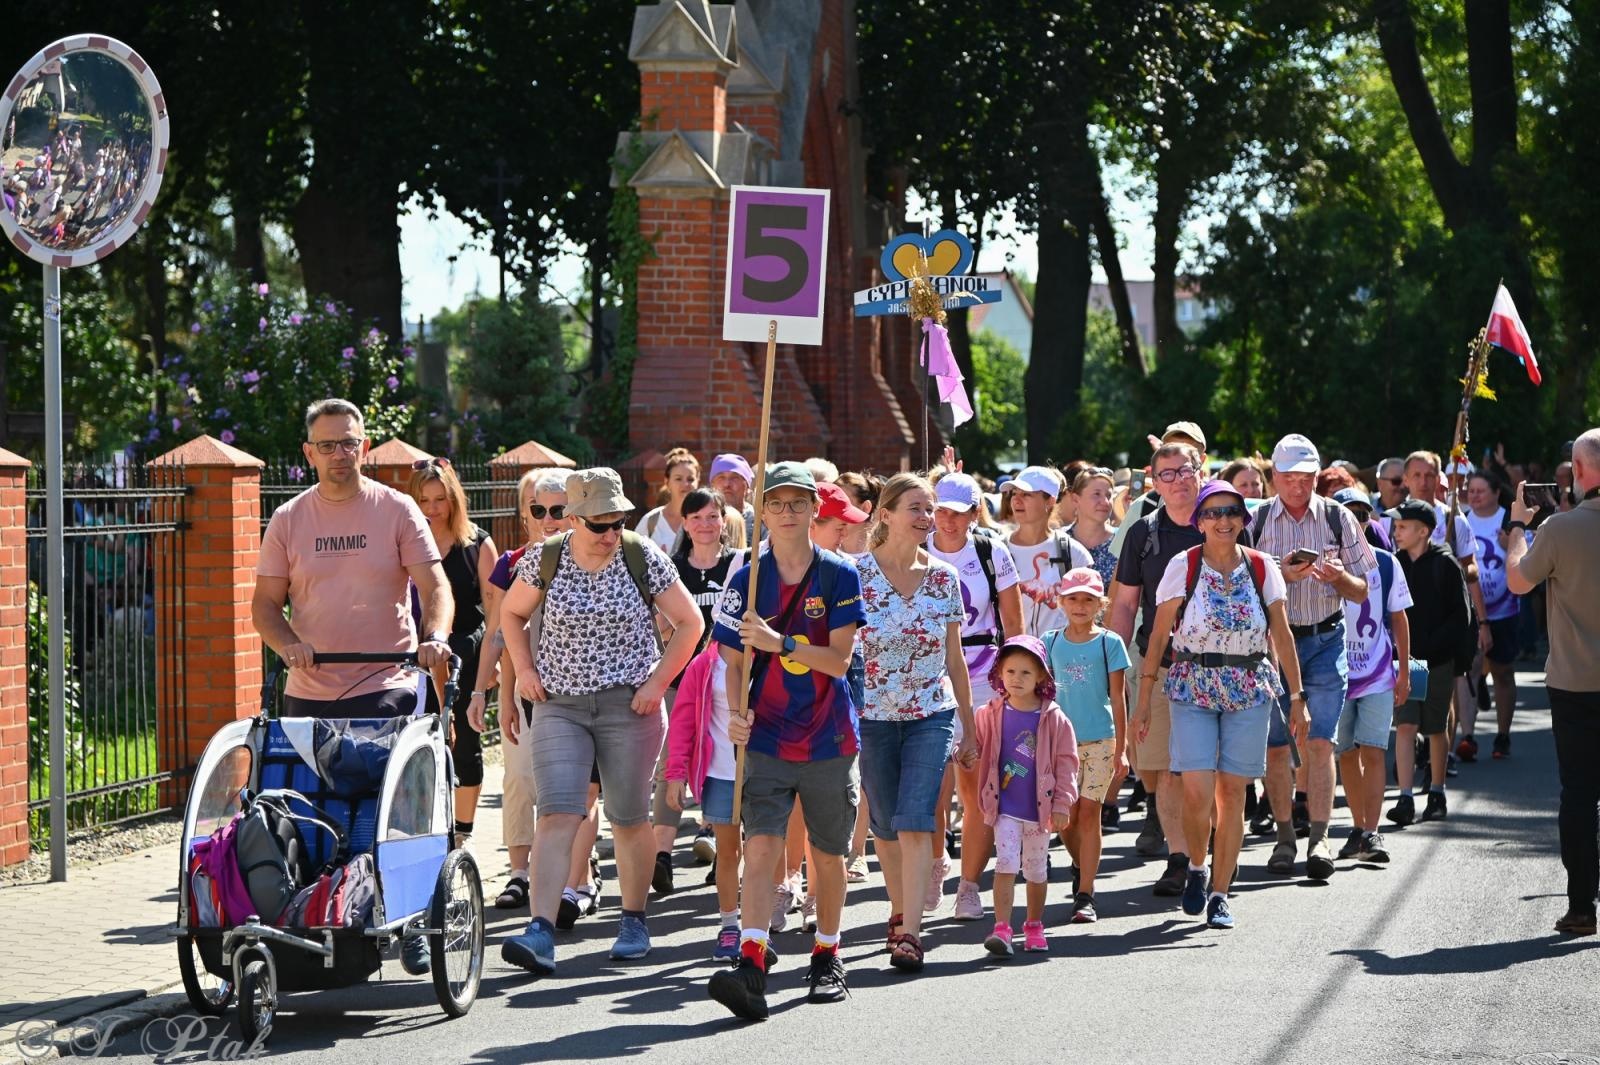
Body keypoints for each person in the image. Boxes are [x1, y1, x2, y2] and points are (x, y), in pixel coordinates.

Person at [498, 468, 703, 975]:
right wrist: (524, 670)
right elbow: (511, 615)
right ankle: (540, 929)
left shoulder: (641, 555)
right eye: (598, 525)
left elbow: (690, 623)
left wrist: (656, 684)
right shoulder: (545, 558)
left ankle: (633, 920)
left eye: (618, 522)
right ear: (573, 519)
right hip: (560, 705)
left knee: (629, 818)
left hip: (629, 707)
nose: (611, 534)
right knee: (557, 813)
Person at [705, 461, 864, 1020]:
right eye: (776, 502)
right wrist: (737, 712)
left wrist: (781, 643)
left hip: (828, 736)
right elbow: (731, 661)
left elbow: (839, 661)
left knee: (828, 854)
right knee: (762, 846)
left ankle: (827, 955)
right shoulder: (746, 579)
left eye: (798, 502)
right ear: (762, 512)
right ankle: (751, 961)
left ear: (815, 509)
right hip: (767, 737)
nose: (788, 511)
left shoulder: (840, 574)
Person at [1135, 480, 1305, 929]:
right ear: (1199, 522)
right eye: (1212, 513)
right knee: (1196, 789)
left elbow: (1282, 634)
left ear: (1243, 519)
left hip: (1248, 686)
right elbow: (1158, 634)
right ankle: (1197, 865)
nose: (1223, 520)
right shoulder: (1183, 565)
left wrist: (1297, 696)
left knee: (1233, 793)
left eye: (1231, 512)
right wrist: (1143, 699)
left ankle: (1220, 893)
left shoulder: (1262, 566)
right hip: (1192, 684)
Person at [253, 398, 454, 718]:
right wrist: (289, 645)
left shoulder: (398, 509)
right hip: (308, 689)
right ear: (309, 453)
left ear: (365, 447)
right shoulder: (287, 519)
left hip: (388, 684)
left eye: (349, 443)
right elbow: (264, 605)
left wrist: (435, 637)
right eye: (327, 446)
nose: (339, 454)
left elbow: (436, 588)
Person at [855, 473, 977, 972]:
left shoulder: (944, 577)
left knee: (915, 818)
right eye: (917, 508)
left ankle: (910, 933)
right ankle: (899, 908)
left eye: (931, 508)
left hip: (931, 713)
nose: (928, 517)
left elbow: (955, 658)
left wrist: (969, 724)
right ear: (885, 514)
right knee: (885, 824)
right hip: (872, 717)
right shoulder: (855, 575)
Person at [473, 469, 599, 916]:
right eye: (538, 509)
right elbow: (501, 634)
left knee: (579, 791)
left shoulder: (599, 556)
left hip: (586, 695)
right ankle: (521, 872)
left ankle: (578, 878)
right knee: (520, 778)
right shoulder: (515, 564)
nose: (548, 518)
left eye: (558, 509)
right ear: (525, 514)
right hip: (529, 692)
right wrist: (487, 693)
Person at [1249, 434, 1371, 881]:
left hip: (1325, 640)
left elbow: (1363, 590)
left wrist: (1339, 578)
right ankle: (1284, 837)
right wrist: (1279, 575)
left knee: (1321, 742)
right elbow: (1238, 588)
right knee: (1276, 746)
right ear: (1274, 478)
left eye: (1306, 478)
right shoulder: (1256, 519)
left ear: (1317, 476)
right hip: (1272, 645)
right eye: (1289, 478)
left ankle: (1319, 838)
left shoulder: (1339, 517)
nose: (1298, 486)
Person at [1109, 439, 1222, 896]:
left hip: (1219, 667)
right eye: (1167, 474)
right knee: (1165, 769)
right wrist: (1112, 664)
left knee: (1206, 770)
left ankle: (1206, 855)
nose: (1178, 481)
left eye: (1185, 470)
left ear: (1201, 470)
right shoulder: (1143, 533)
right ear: (1154, 482)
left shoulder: (1223, 521)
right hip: (1158, 665)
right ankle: (1181, 859)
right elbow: (1124, 604)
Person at [1505, 427, 1600, 936]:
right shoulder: (1563, 525)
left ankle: (1582, 907)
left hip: (1576, 683)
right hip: (1574, 684)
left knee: (1580, 795)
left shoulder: (1560, 529)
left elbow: (1518, 580)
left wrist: (1519, 527)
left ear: (1579, 471)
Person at [927, 471, 1023, 922]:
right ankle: (934, 863)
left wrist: (1018, 684)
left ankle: (968, 885)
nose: (947, 520)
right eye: (940, 510)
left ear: (974, 513)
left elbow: (1014, 625)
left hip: (983, 674)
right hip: (927, 674)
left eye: (957, 512)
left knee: (975, 784)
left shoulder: (991, 551)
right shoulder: (916, 547)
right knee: (930, 786)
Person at [650, 488, 747, 893]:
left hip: (726, 681)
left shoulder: (739, 564)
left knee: (727, 763)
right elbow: (657, 625)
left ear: (724, 520)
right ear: (685, 524)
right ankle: (661, 856)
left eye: (712, 516)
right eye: (696, 517)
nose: (705, 524)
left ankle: (725, 850)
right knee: (669, 764)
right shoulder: (670, 568)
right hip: (680, 680)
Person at [406, 458, 497, 851]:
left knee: (464, 742)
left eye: (440, 499)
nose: (432, 508)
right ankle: (425, 825)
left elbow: (495, 613)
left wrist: (493, 665)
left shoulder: (477, 544)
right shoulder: (406, 543)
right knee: (418, 742)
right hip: (416, 656)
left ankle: (463, 831)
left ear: (454, 499)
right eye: (423, 500)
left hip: (466, 654)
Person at [974, 636, 1078, 955]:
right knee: (1005, 863)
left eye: (1026, 673)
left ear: (1041, 677)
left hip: (1039, 809)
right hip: (1004, 806)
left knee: (1035, 869)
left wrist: (1062, 803)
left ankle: (1033, 925)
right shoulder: (990, 713)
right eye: (1010, 671)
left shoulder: (1054, 717)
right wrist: (963, 754)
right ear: (999, 673)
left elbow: (1067, 762)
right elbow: (977, 747)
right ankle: (1002, 928)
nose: (1016, 679)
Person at [1329, 488, 1410, 865]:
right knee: (1346, 753)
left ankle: (1372, 831)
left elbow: (1399, 617)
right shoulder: (1324, 565)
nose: (1356, 522)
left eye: (1362, 515)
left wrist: (1403, 671)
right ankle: (1358, 827)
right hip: (1336, 674)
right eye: (1348, 515)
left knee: (1374, 750)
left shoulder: (1388, 563)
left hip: (1377, 673)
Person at [1043, 568, 1129, 922]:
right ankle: (1081, 865)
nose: (1080, 606)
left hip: (1100, 739)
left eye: (1088, 599)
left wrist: (1122, 748)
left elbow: (1118, 698)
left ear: (1100, 604)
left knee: (1090, 813)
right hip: (1060, 742)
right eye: (1073, 599)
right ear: (1061, 602)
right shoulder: (1049, 642)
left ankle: (1085, 894)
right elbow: (1042, 695)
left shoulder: (1110, 643)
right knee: (1067, 817)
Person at [1384, 499, 1469, 826]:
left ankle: (1436, 790)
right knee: (1405, 725)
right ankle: (1405, 797)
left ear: (1423, 531)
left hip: (1437, 660)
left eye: (1403, 526)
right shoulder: (1396, 563)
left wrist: (1435, 646)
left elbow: (1460, 616)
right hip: (1406, 662)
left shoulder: (1445, 565)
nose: (1396, 532)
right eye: (1395, 526)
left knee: (1435, 727)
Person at [664, 641, 744, 960]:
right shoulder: (704, 664)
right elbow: (683, 721)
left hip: (766, 772)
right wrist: (676, 774)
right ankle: (729, 926)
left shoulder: (769, 654)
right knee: (728, 852)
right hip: (720, 774)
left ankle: (758, 930)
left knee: (764, 851)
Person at [1457, 471, 1519, 760]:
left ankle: (1503, 735)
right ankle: (1467, 737)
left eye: (1481, 491)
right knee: (1469, 670)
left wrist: (1511, 546)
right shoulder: (1462, 521)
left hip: (1504, 611)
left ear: (1496, 493)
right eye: (1471, 490)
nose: (1475, 495)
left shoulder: (1509, 521)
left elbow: (1527, 563)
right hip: (1469, 612)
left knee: (1503, 672)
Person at [1001, 465, 1093, 635]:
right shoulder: (997, 550)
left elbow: (1087, 615)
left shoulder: (1074, 554)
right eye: (1014, 493)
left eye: (1026, 494)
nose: (1016, 500)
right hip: (1009, 650)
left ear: (1050, 501)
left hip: (1059, 651)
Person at [1110, 421, 1210, 557]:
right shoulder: (1143, 506)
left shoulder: (1222, 507)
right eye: (1170, 450)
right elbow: (1122, 566)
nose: (1178, 458)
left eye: (1188, 452)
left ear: (1202, 459)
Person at [635, 446, 700, 551]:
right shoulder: (651, 521)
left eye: (690, 479)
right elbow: (632, 556)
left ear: (698, 481)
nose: (685, 484)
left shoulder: (706, 520)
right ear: (667, 482)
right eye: (678, 479)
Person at [1067, 467, 1119, 588]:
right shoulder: (1059, 541)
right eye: (1096, 494)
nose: (1105, 502)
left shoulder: (1123, 542)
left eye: (1109, 495)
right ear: (1075, 499)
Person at [709, 453, 756, 545]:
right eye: (721, 478)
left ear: (747, 486)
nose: (727, 484)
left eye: (734, 478)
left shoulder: (758, 522)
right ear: (712, 485)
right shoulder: (699, 519)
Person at [833, 471, 879, 558]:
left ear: (865, 508)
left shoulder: (884, 553)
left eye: (844, 504)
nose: (835, 512)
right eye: (833, 504)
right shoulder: (823, 550)